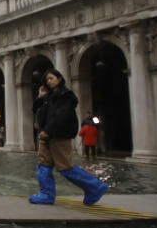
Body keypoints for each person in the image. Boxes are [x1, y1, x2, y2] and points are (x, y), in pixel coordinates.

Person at [29, 69, 108, 206]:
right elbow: (35, 109)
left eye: (51, 78)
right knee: (43, 165)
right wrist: (40, 97)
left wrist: (48, 130)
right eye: (47, 79)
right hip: (45, 136)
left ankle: (94, 187)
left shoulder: (66, 95)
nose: (49, 81)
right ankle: (46, 194)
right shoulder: (48, 96)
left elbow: (62, 115)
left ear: (59, 79)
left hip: (59, 135)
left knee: (65, 166)